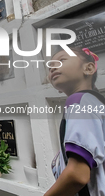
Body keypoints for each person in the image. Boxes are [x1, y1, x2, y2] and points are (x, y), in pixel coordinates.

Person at [45, 47, 105, 196]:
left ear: (89, 68)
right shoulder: (94, 102)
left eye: (61, 60)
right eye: (50, 66)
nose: (53, 67)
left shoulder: (78, 102)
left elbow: (77, 175)